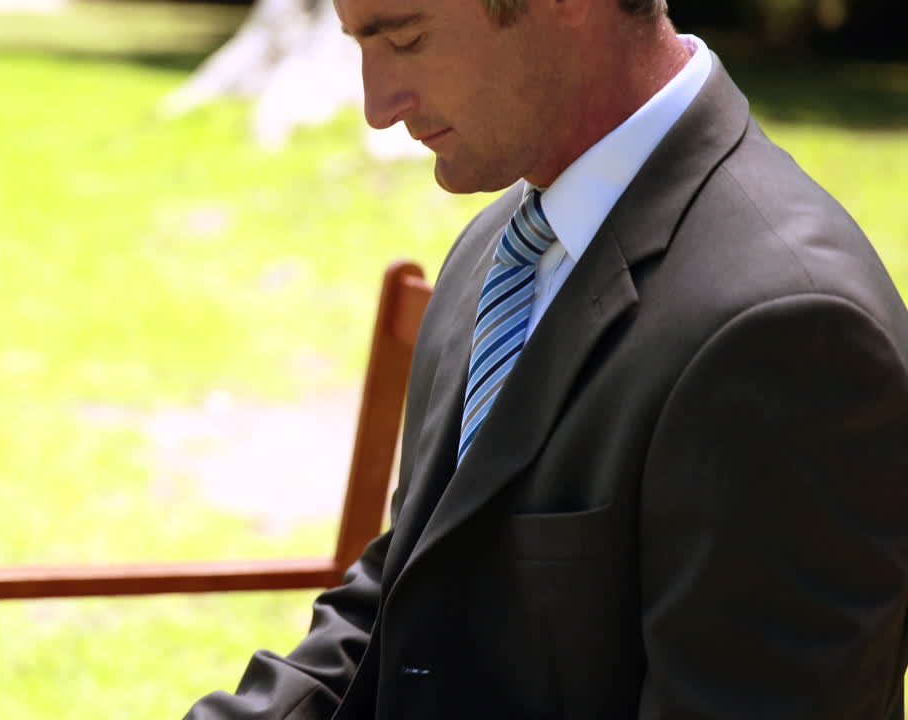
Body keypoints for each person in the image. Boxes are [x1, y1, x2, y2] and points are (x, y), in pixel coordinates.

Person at [186, 0, 908, 717]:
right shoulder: (505, 242)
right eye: (359, 44)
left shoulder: (792, 336)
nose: (377, 108)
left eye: (405, 40)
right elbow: (406, 595)